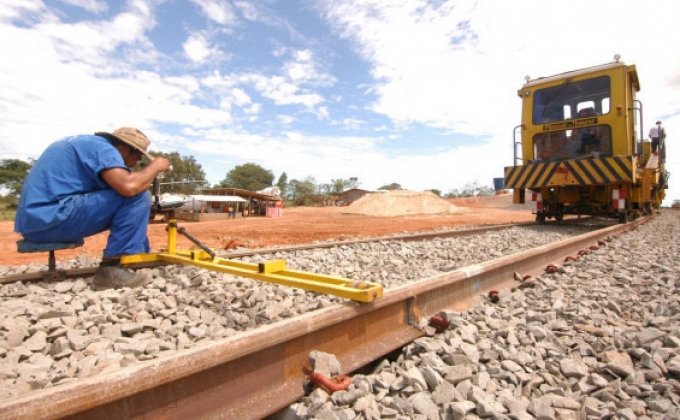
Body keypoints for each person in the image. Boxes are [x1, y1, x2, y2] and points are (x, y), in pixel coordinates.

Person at [14, 128, 171, 289]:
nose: (137, 162)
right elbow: (128, 186)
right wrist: (155, 167)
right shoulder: (104, 149)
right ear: (123, 148)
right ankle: (111, 270)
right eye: (137, 156)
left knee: (129, 192)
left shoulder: (85, 145)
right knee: (137, 195)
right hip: (50, 218)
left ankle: (134, 255)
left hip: (36, 221)